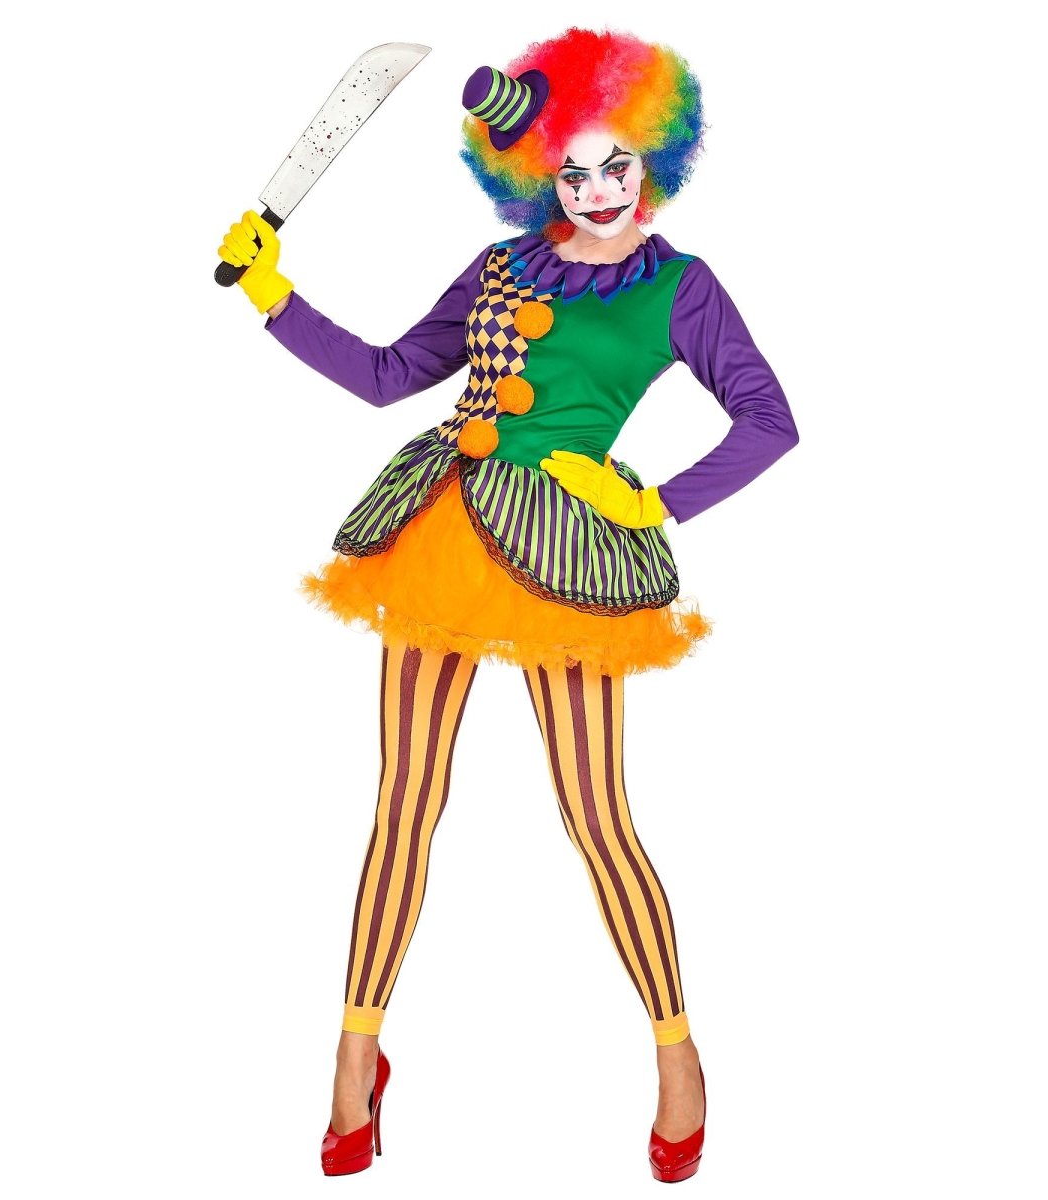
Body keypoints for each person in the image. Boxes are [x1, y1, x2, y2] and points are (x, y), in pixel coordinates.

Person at [216, 25, 798, 1183]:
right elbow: (391, 375)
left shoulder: (680, 288)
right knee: (404, 801)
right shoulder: (500, 267)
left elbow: (769, 420)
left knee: (595, 815)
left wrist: (655, 502)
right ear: (536, 173)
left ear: (655, 156)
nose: (594, 190)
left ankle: (678, 1054)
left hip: (569, 554)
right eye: (570, 171)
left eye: (615, 164)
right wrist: (275, 297)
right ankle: (354, 1056)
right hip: (439, 532)